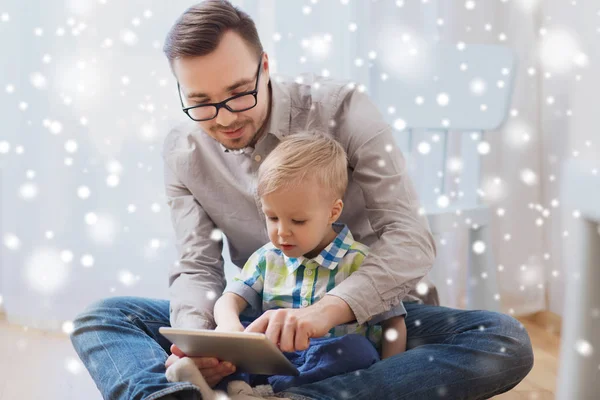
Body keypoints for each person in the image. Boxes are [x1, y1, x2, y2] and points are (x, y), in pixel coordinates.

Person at [70, 1, 534, 399]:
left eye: (238, 94)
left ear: (265, 66)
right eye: (202, 103)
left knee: (502, 339)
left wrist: (322, 314)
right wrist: (205, 341)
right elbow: (198, 269)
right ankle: (174, 396)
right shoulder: (183, 149)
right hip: (262, 318)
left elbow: (410, 241)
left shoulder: (345, 111)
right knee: (104, 317)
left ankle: (302, 397)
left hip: (370, 322)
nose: (225, 118)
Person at [208, 133, 405, 393]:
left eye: (298, 221)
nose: (282, 232)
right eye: (272, 217)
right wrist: (229, 326)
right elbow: (228, 300)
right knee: (236, 337)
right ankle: (238, 387)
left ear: (332, 212)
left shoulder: (361, 262)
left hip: (330, 362)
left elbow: (394, 324)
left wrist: (388, 377)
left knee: (357, 349)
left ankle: (277, 392)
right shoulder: (266, 258)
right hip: (275, 359)